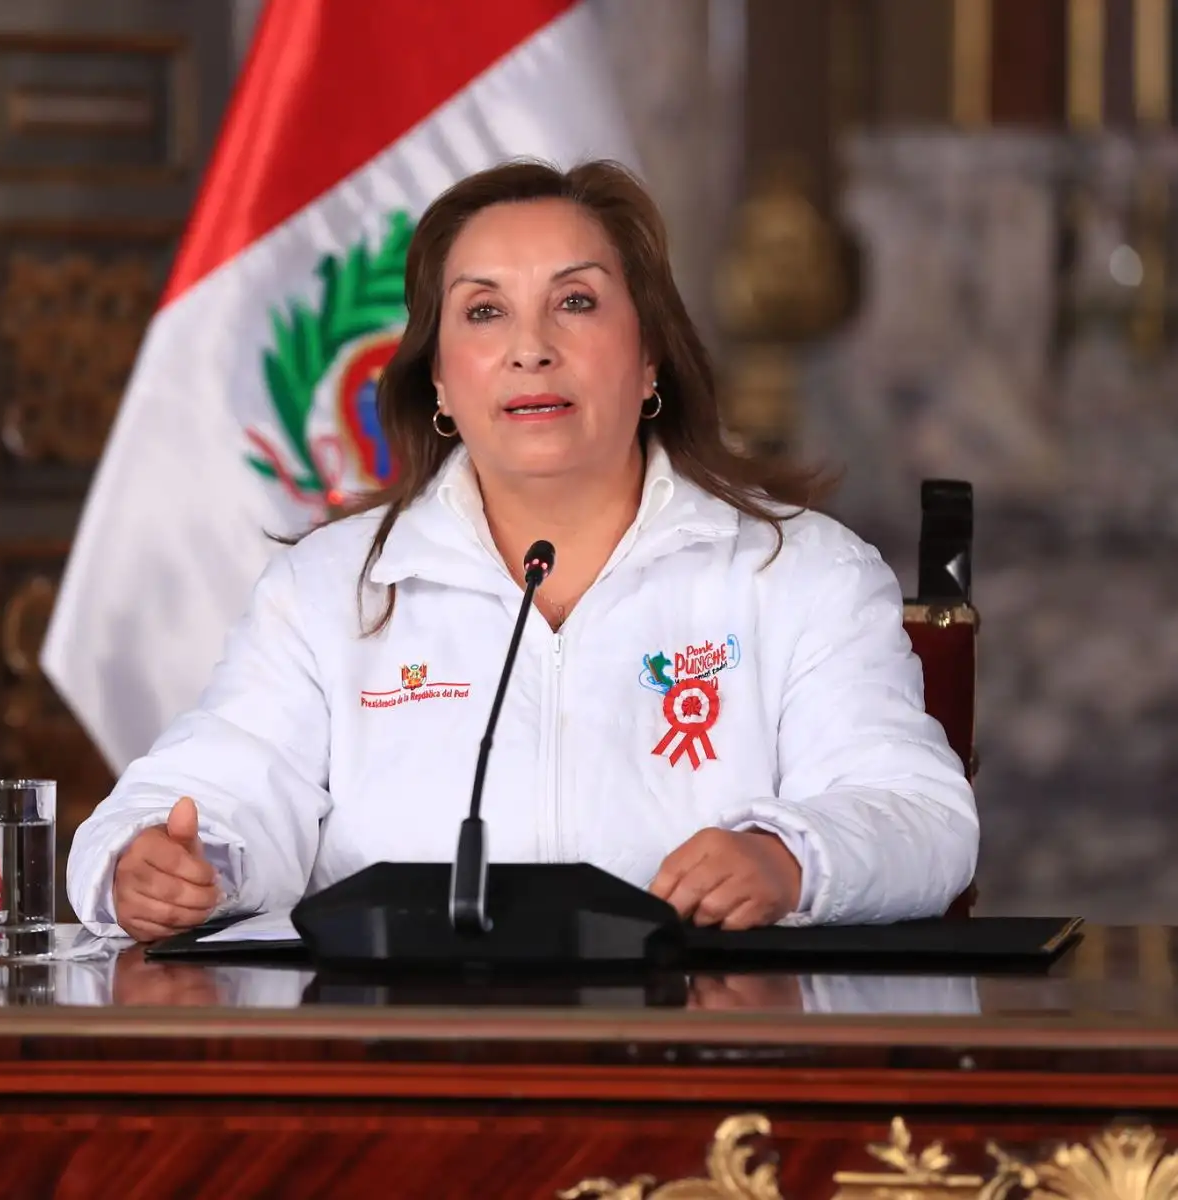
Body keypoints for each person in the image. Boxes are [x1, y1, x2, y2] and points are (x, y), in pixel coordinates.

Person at [67, 159, 979, 943]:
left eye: (575, 302)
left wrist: (789, 860)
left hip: (699, 1056)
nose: (531, 349)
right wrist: (161, 868)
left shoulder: (801, 573)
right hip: (405, 1063)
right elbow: (203, 803)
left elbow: (922, 818)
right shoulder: (329, 591)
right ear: (438, 378)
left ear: (651, 357)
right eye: (484, 312)